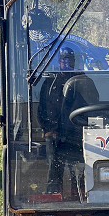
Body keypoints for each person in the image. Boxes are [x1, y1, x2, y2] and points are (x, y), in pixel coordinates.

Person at [38, 47, 76, 194]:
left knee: (79, 167)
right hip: (53, 133)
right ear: (59, 62)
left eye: (69, 60)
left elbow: (91, 103)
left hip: (77, 132)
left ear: (74, 62)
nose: (66, 64)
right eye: (63, 60)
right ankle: (53, 194)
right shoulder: (50, 83)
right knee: (54, 163)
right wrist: (47, 130)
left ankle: (79, 193)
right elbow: (42, 109)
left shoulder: (83, 80)